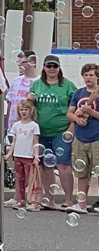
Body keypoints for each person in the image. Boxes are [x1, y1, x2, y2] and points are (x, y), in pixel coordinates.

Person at [28, 54, 77, 210]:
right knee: (45, 166)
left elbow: (76, 110)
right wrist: (29, 100)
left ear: (59, 68)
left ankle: (68, 200)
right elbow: (28, 108)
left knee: (63, 165)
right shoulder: (36, 85)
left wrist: (71, 129)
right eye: (49, 66)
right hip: (41, 131)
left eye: (54, 66)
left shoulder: (68, 86)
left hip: (61, 131)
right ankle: (50, 199)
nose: (52, 69)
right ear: (43, 67)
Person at [66, 63, 99, 214]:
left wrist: (90, 112)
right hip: (80, 137)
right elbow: (70, 113)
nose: (88, 78)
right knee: (81, 172)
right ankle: (81, 204)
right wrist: (77, 119)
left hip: (96, 138)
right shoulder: (79, 93)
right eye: (86, 75)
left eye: (91, 75)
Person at [4, 99, 41, 211]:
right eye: (22, 109)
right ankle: (21, 201)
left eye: (26, 109)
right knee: (19, 179)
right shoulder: (16, 125)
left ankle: (32, 201)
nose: (24, 112)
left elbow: (36, 142)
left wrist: (36, 156)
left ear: (31, 111)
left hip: (29, 157)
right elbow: (13, 142)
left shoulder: (34, 125)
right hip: (18, 156)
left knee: (30, 180)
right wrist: (8, 155)